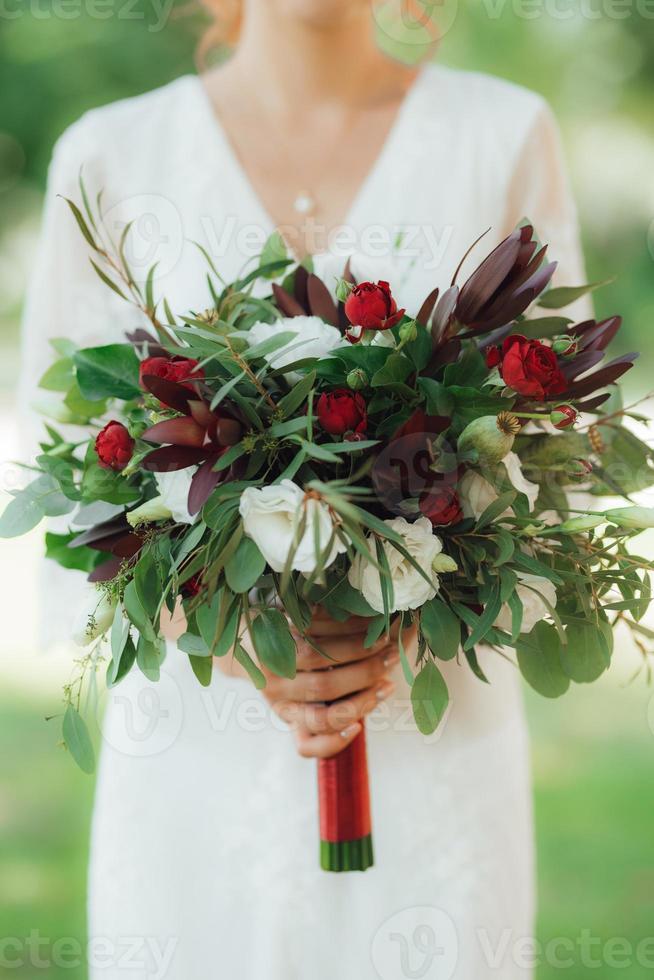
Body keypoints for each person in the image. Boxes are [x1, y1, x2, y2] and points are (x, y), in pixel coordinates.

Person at [20, 1, 591, 976]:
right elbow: (74, 477)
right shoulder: (112, 154)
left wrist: (404, 613)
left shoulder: (500, 135)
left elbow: (553, 465)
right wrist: (234, 633)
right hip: (196, 767)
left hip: (431, 745)